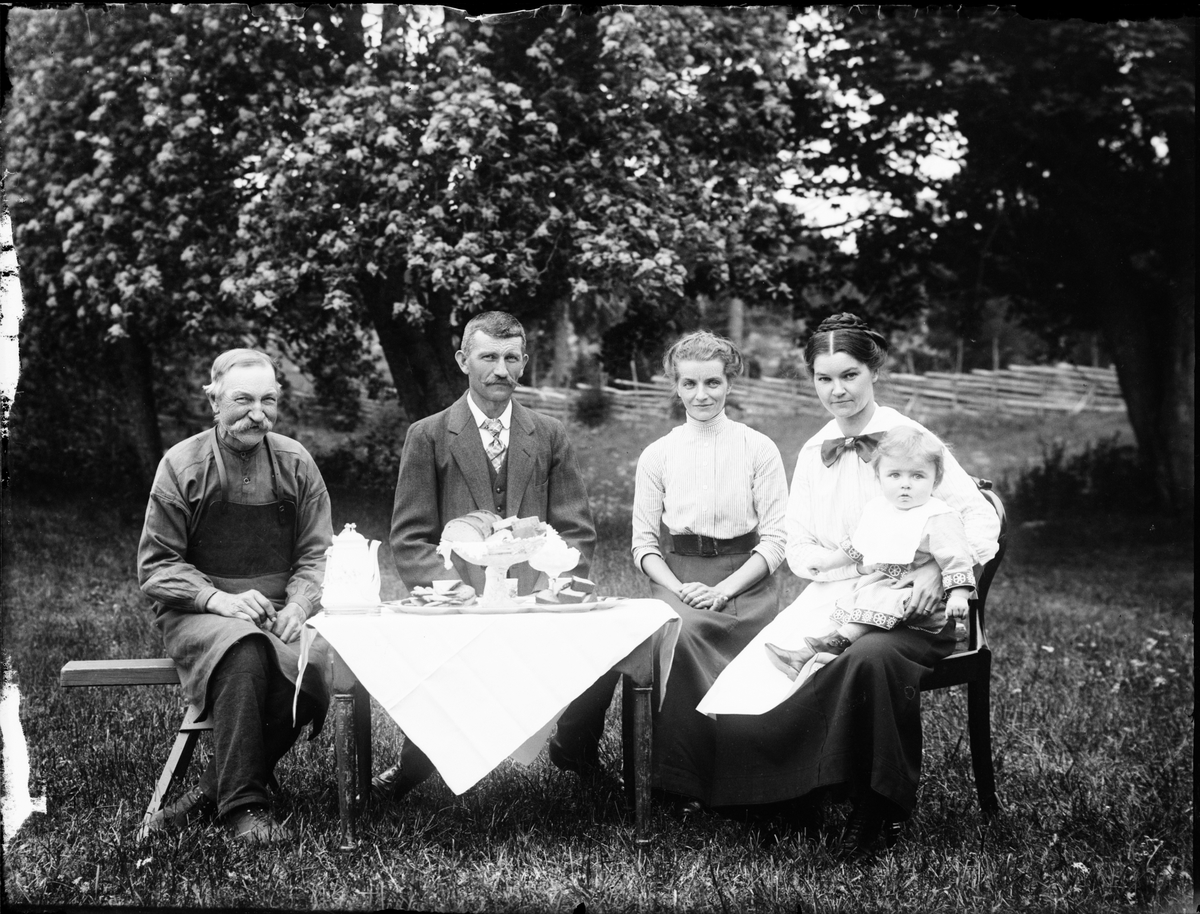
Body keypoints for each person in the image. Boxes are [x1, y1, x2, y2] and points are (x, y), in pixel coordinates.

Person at [693, 312, 1000, 858]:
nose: (837, 390)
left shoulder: (912, 439)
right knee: (765, 664)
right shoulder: (815, 452)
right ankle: (788, 795)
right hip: (839, 595)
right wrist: (855, 565)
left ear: (874, 371)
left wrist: (932, 569)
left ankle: (875, 806)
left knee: (870, 658)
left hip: (922, 607)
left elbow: (980, 523)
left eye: (849, 374)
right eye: (822, 377)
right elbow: (802, 550)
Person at [374, 310, 606, 801]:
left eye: (511, 357)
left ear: (524, 363)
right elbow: (410, 537)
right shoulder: (430, 435)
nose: (500, 370)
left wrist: (552, 589)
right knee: (435, 664)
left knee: (606, 645)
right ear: (463, 361)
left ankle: (576, 748)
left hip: (534, 600)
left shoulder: (548, 434)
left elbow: (576, 530)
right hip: (456, 601)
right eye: (487, 357)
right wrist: (449, 591)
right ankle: (420, 760)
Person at [137, 348, 333, 842]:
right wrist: (217, 600)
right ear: (213, 401)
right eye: (242, 399)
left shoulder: (296, 462)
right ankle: (244, 809)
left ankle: (207, 793)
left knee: (322, 661)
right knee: (243, 648)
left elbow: (317, 555)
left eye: (268, 400)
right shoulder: (181, 464)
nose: (257, 413)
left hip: (276, 611)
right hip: (198, 611)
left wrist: (299, 604)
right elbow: (156, 566)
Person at [630, 330, 789, 812]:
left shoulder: (759, 449)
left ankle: (749, 780)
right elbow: (642, 544)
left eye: (713, 383)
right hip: (678, 576)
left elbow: (778, 540)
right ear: (674, 386)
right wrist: (681, 588)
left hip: (746, 579)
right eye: (690, 384)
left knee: (734, 641)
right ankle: (681, 781)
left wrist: (723, 589)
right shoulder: (658, 454)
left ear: (730, 384)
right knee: (686, 630)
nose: (702, 395)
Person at [765, 425, 977, 675]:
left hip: (918, 598)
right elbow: (857, 545)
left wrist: (960, 595)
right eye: (894, 475)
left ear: (936, 479)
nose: (905, 485)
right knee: (855, 597)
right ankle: (810, 654)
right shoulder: (880, 509)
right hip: (883, 584)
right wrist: (827, 563)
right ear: (879, 477)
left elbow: (957, 560)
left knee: (880, 597)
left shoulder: (938, 516)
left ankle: (832, 645)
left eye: (918, 476)